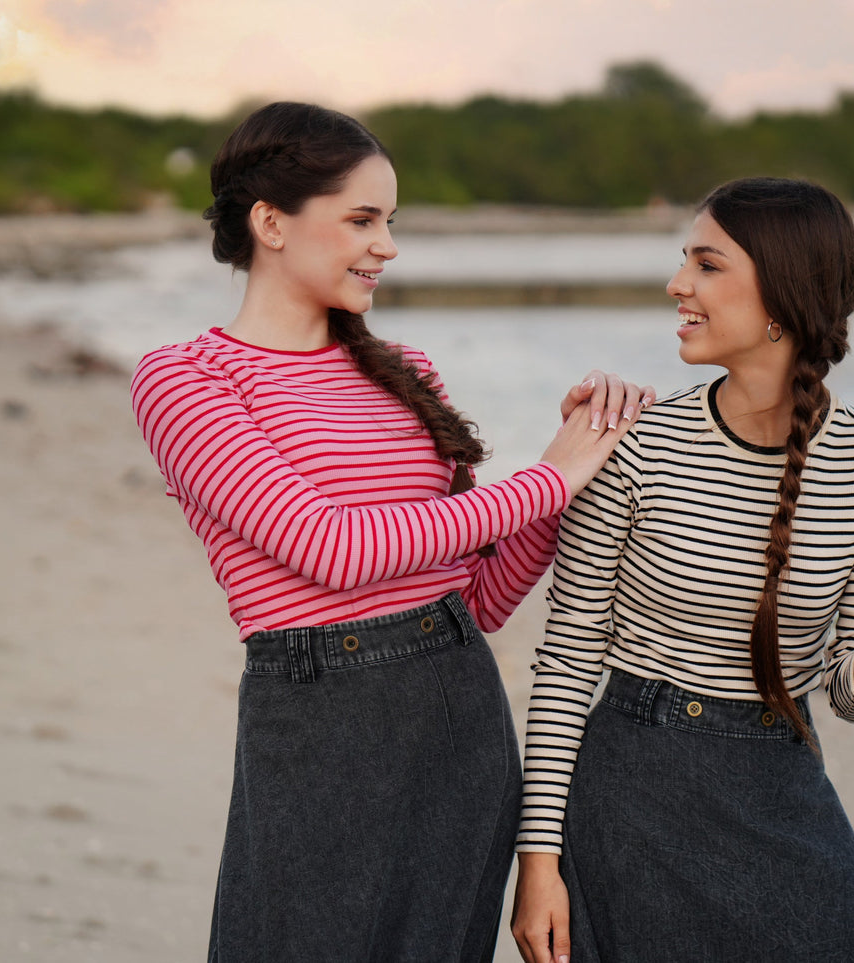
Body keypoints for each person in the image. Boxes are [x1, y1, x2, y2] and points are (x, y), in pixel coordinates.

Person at [130, 102, 653, 962]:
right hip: (317, 722)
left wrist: (575, 469)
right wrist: (544, 480)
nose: (387, 245)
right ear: (270, 223)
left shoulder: (409, 372)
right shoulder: (186, 378)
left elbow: (477, 600)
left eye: (391, 222)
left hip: (459, 716)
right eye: (362, 219)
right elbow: (326, 549)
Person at [510, 177, 854, 963]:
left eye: (706, 264)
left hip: (783, 786)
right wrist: (537, 865)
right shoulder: (634, 441)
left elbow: (848, 700)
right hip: (630, 793)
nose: (677, 285)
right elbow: (566, 660)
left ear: (780, 292)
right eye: (683, 262)